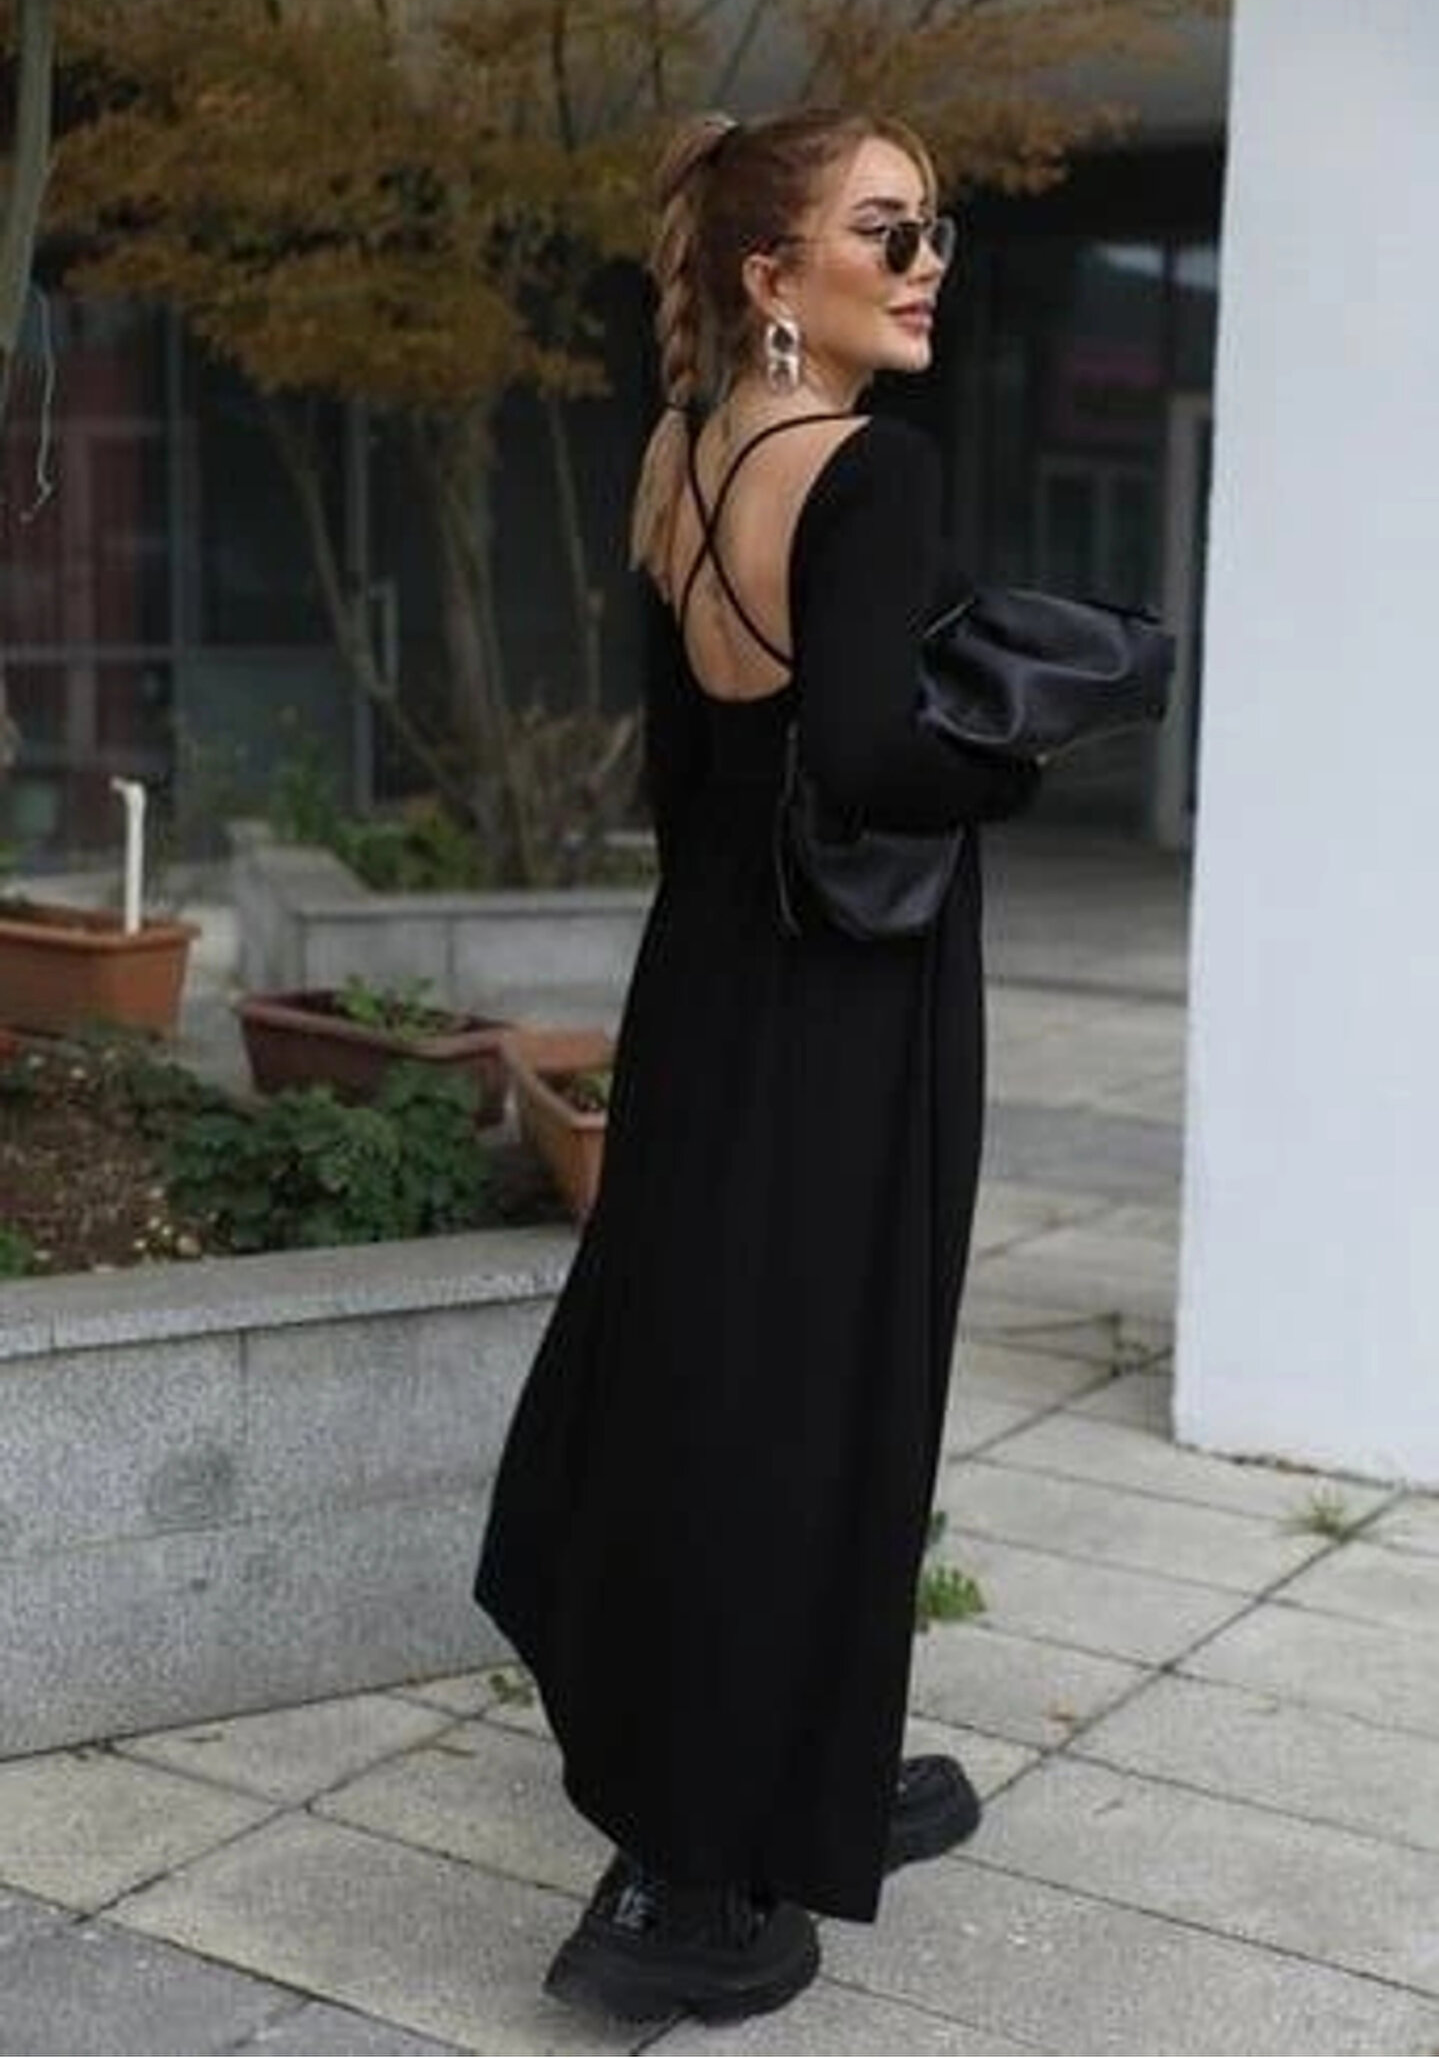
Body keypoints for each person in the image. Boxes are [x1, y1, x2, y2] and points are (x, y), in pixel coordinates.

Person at [475, 105, 1041, 2026]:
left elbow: (680, 777)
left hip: (711, 977)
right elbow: (873, 761)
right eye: (887, 232)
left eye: (934, 228)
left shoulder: (685, 454)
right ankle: (704, 1875)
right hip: (850, 1003)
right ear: (771, 273)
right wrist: (1030, 739)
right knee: (824, 1391)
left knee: (714, 1374)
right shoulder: (872, 472)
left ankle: (795, 1773)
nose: (927, 263)